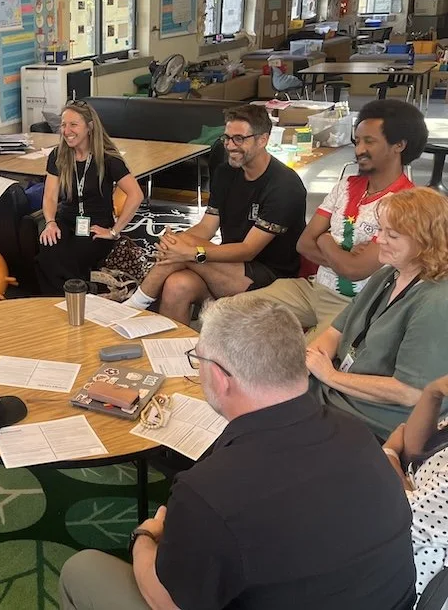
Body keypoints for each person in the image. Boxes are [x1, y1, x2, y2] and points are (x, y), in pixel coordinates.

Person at [60, 294, 416, 610]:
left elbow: (166, 600)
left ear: (220, 377)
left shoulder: (208, 491)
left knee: (84, 569)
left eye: (197, 358)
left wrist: (146, 537)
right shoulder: (359, 436)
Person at [250, 99, 426, 339]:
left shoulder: (406, 203)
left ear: (399, 145)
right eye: (358, 140)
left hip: (355, 305)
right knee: (229, 312)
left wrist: (324, 240)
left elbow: (355, 271)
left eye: (369, 141)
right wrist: (343, 257)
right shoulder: (345, 186)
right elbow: (303, 244)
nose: (359, 149)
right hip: (313, 289)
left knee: (301, 360)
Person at [122, 104, 307, 324]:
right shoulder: (226, 172)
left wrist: (190, 252)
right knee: (177, 285)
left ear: (263, 139)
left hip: (269, 277)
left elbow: (248, 251)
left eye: (239, 139)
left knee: (185, 246)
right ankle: (169, 355)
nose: (230, 146)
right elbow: (206, 227)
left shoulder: (284, 185)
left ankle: (133, 307)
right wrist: (174, 243)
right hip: (227, 265)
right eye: (227, 138)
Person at [306, 187, 448, 438]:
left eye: (391, 235)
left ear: (425, 243)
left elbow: (409, 392)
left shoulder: (437, 303)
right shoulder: (388, 273)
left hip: (374, 420)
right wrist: (311, 361)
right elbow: (336, 331)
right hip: (337, 392)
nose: (379, 239)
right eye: (380, 229)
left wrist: (329, 375)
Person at [36, 100, 144, 295]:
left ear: (89, 127)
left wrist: (113, 231)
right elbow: (50, 196)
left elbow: (136, 195)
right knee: (48, 251)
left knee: (73, 255)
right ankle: (76, 292)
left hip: (97, 225)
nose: (66, 130)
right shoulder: (58, 155)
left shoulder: (107, 158)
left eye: (73, 125)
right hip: (66, 221)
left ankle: (74, 295)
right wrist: (50, 222)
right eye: (63, 124)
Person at [382, 373, 448, 600]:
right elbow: (416, 453)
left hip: (405, 577)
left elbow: (401, 511)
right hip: (395, 530)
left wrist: (389, 454)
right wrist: (433, 392)